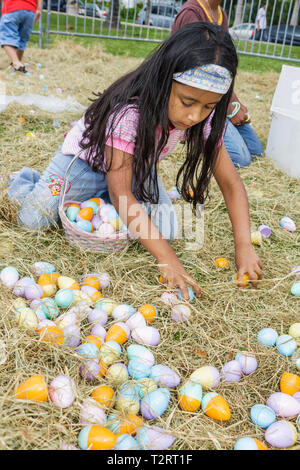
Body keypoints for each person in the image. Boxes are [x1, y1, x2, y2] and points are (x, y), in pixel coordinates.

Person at [7, 23, 263, 298]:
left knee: (166, 230)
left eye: (209, 106)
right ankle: (32, 181)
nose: (194, 116)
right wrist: (168, 261)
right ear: (165, 80)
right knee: (32, 221)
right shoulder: (130, 113)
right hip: (84, 166)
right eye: (187, 102)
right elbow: (121, 194)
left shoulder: (204, 119)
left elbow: (231, 183)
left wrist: (244, 247)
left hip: (135, 168)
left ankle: (98, 202)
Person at [172, 0, 264, 168]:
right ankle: (194, 137)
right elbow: (196, 76)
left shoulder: (221, 13)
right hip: (199, 100)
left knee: (256, 151)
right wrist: (228, 106)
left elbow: (223, 67)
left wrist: (234, 103)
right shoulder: (191, 12)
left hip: (214, 98)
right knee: (240, 158)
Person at [0, 0, 42, 72]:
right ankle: (17, 65)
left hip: (11, 8)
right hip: (30, 11)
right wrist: (39, 9)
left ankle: (16, 63)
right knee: (22, 39)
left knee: (6, 37)